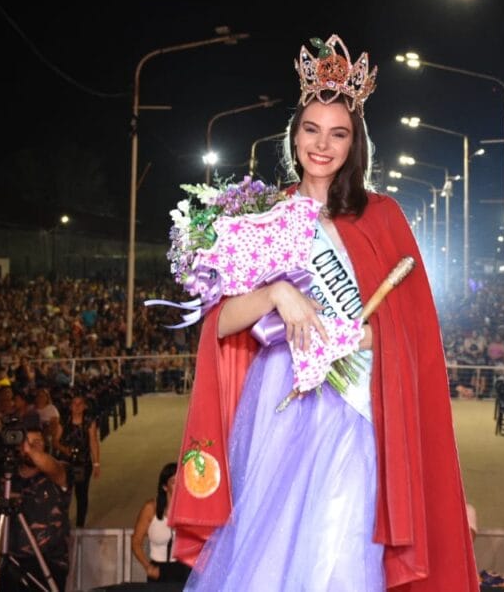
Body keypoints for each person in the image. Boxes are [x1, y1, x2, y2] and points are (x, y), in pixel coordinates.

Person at [169, 34, 476, 591]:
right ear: (294, 135)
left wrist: (342, 336)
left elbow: (410, 334)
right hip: (279, 404)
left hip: (353, 408)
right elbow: (221, 324)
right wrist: (276, 295)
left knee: (340, 538)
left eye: (338, 133)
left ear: (355, 144)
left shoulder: (381, 216)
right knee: (271, 547)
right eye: (312, 129)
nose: (322, 145)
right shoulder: (265, 213)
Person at [0, 419, 72, 592]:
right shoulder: (7, 480)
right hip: (12, 560)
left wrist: (29, 448)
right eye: (26, 442)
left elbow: (53, 466)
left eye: (37, 442)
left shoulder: (57, 473)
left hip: (49, 562)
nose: (31, 447)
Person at [132, 463, 192, 583]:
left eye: (181, 481)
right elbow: (136, 542)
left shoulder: (188, 509)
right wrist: (148, 567)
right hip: (158, 570)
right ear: (165, 487)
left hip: (183, 569)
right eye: (174, 482)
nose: (179, 485)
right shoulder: (150, 509)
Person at [52, 394, 100, 527]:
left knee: (81, 493)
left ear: (85, 406)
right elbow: (55, 441)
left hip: (83, 462)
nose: (77, 407)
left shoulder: (89, 421)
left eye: (80, 404)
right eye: (74, 403)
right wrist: (64, 449)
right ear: (70, 406)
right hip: (65, 462)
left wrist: (96, 463)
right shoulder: (64, 420)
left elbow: (93, 442)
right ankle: (62, 522)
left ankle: (80, 524)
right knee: (63, 492)